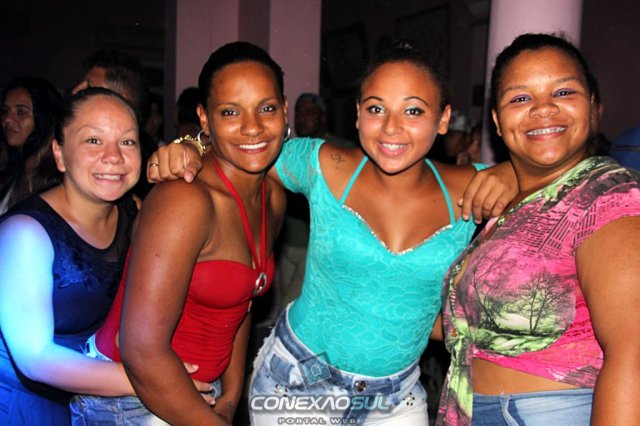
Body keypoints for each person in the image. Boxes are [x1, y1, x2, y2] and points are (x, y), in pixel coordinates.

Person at [148, 43, 518, 425]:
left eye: (413, 111)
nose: (391, 127)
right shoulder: (324, 165)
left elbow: (552, 186)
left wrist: (516, 172)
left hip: (396, 400)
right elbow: (249, 143)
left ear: (443, 119)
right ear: (357, 115)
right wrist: (190, 146)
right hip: (298, 384)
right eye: (376, 109)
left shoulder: (478, 187)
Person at [72, 41, 287, 425]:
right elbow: (142, 352)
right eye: (230, 112)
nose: (252, 126)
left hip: (199, 397)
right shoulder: (185, 199)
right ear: (204, 118)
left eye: (267, 108)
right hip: (131, 401)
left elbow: (241, 304)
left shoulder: (273, 196)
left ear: (284, 110)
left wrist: (230, 397)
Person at [437, 33, 640, 425]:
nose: (543, 108)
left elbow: (633, 355)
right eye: (520, 98)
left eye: (563, 92)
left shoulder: (610, 197)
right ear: (497, 122)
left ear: (593, 107)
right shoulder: (513, 205)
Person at [0, 87, 141, 424]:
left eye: (127, 141)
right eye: (93, 140)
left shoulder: (133, 211)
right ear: (60, 153)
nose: (113, 156)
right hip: (21, 403)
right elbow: (36, 358)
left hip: (88, 396)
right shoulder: (25, 233)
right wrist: (154, 382)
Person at [73, 48, 155, 198]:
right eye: (93, 141)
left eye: (128, 143)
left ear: (121, 100)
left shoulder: (151, 166)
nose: (76, 91)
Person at [0, 76, 63, 214]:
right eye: (5, 111)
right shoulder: (17, 168)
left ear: (43, 117)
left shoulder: (54, 177)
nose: (7, 119)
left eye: (21, 112)